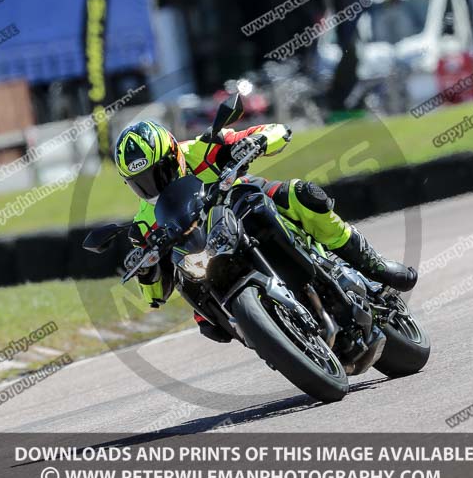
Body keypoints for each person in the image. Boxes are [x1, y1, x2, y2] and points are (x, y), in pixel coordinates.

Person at [114, 120, 417, 343]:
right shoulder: (144, 222)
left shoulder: (202, 148)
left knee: (302, 195)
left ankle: (373, 265)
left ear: (175, 154)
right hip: (207, 253)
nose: (156, 185)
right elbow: (155, 296)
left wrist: (256, 141)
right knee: (206, 320)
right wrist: (147, 271)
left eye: (161, 172)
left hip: (244, 205)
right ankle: (273, 338)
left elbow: (275, 130)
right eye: (143, 182)